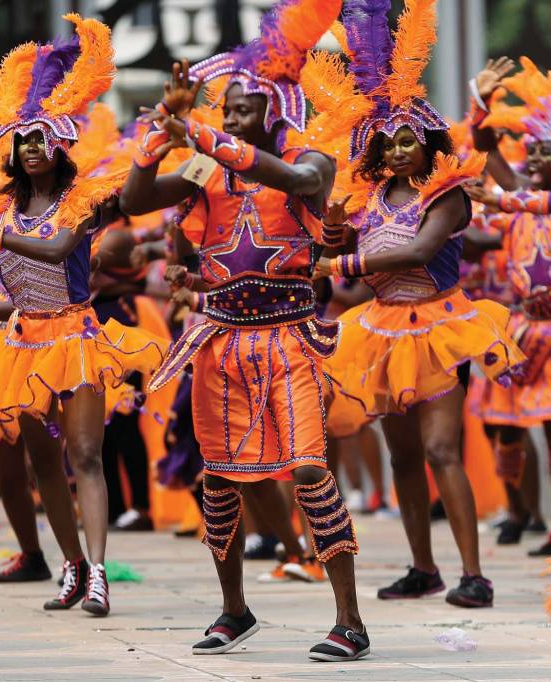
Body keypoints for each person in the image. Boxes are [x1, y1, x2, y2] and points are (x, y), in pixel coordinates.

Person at [119, 0, 369, 661]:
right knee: (222, 478)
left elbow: (286, 178)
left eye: (242, 108)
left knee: (311, 470)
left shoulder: (309, 160)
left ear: (275, 108)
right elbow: (135, 201)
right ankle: (234, 610)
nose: (228, 117)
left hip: (290, 339)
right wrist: (158, 134)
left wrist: (197, 133)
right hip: (220, 340)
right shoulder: (206, 171)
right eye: (223, 109)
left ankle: (349, 620)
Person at [0, 14, 165, 617]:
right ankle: (71, 565)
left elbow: (59, 249)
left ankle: (100, 574)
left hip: (76, 336)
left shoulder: (81, 199)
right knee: (43, 465)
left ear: (59, 145)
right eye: (23, 140)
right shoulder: (2, 205)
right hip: (19, 344)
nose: (32, 148)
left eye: (41, 139)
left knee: (85, 454)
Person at [317, 0, 524, 608]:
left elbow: (418, 252)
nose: (400, 149)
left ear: (426, 141)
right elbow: (333, 248)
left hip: (439, 324)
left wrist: (344, 262)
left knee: (440, 450)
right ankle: (422, 567)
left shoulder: (450, 193)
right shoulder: (366, 196)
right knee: (402, 454)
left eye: (409, 139)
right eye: (389, 142)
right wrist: (332, 228)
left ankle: (474, 574)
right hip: (380, 329)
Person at [467, 56, 551, 556]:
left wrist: (504, 202)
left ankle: (541, 516)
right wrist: (480, 107)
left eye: (546, 152)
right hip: (520, 329)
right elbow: (484, 147)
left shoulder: (520, 201)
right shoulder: (519, 195)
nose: (533, 159)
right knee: (503, 426)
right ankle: (518, 511)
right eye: (533, 150)